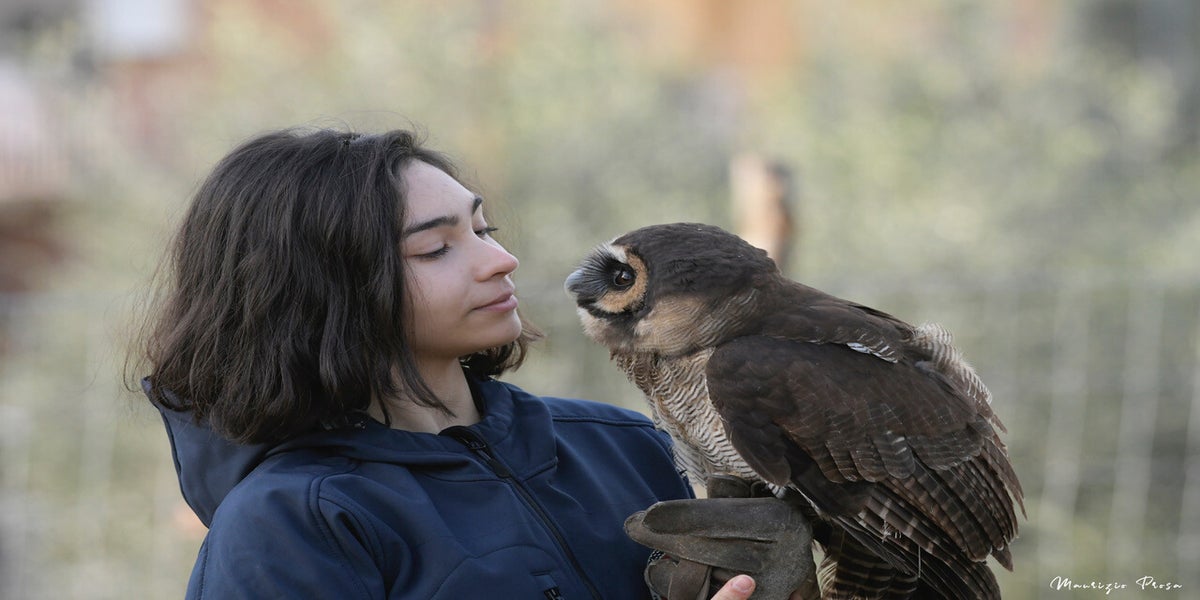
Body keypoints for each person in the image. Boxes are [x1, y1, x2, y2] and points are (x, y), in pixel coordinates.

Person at [133, 126, 792, 599]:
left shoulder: (619, 444)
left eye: (482, 230)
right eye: (436, 249)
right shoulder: (291, 522)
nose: (500, 260)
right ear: (322, 290)